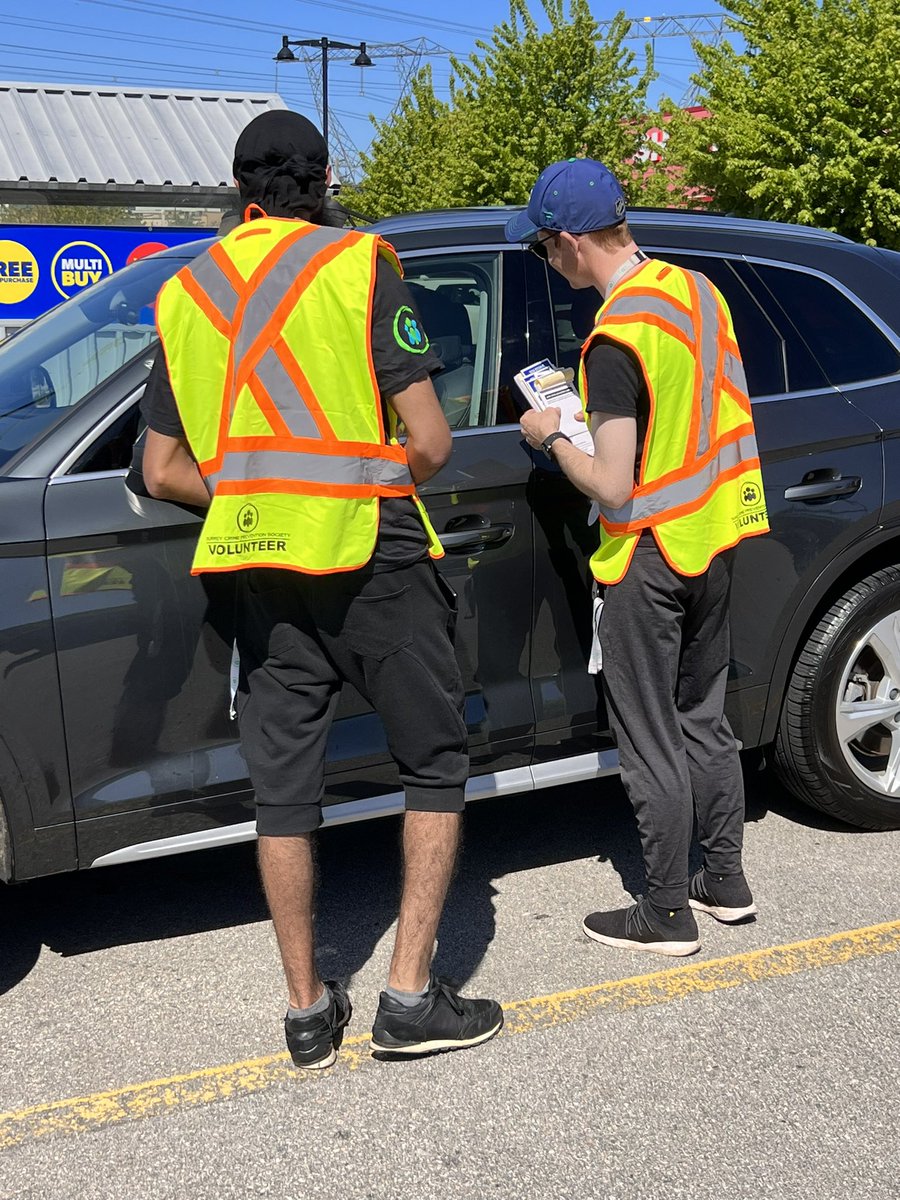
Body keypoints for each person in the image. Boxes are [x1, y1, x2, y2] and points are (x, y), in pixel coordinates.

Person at [141, 110, 502, 1067]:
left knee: (284, 795)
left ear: (238, 188)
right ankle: (409, 999)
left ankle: (307, 1011)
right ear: (325, 177)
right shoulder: (356, 264)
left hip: (258, 567)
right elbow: (429, 442)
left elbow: (163, 469)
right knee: (433, 762)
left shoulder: (186, 292)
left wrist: (262, 489)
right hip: (371, 557)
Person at [507, 158, 770, 956]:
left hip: (648, 557)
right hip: (711, 541)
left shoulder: (614, 339)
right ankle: (723, 879)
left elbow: (614, 487)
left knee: (650, 734)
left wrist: (553, 436)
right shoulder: (695, 292)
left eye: (545, 250)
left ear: (570, 242)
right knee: (704, 720)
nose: (549, 265)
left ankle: (664, 912)